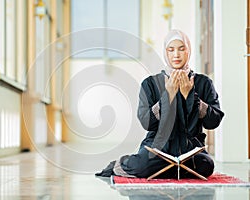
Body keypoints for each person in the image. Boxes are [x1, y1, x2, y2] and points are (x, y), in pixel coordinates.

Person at [95, 29, 224, 179]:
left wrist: (191, 96)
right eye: (171, 50)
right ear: (165, 52)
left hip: (191, 149)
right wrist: (167, 95)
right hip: (157, 149)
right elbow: (146, 122)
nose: (176, 55)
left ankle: (163, 170)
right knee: (143, 165)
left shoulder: (204, 82)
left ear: (189, 51)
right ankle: (127, 164)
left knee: (206, 165)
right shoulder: (150, 83)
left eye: (181, 49)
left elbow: (213, 122)